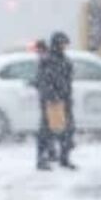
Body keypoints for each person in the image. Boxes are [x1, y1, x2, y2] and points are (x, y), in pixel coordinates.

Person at [36, 31, 76, 170]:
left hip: (64, 100)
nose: (65, 46)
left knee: (67, 130)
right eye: (63, 43)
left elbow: (67, 81)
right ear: (57, 44)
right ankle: (42, 160)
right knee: (47, 131)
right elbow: (43, 82)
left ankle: (64, 158)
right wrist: (52, 98)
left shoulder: (63, 59)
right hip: (52, 102)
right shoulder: (48, 60)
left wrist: (67, 97)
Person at [32, 39, 57, 167]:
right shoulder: (47, 59)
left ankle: (48, 154)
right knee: (48, 127)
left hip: (47, 97)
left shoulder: (44, 60)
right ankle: (47, 155)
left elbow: (41, 80)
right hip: (50, 97)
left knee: (47, 127)